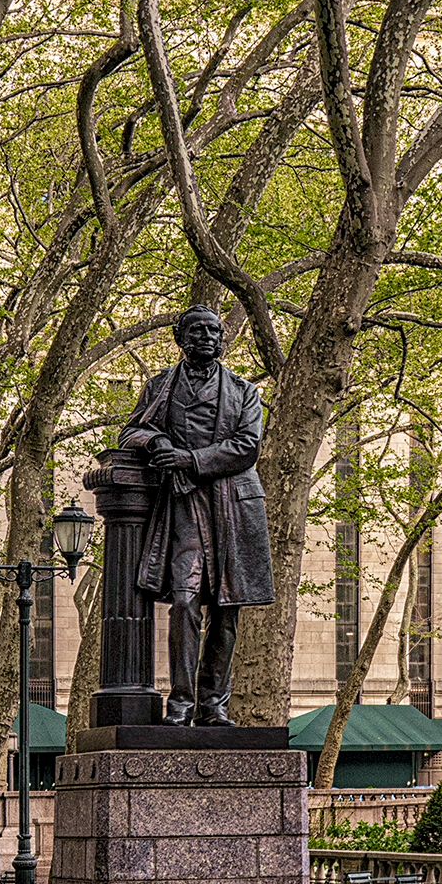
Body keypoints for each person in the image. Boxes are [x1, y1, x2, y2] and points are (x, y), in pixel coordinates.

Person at [118, 305, 275, 727]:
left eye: (213, 330)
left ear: (222, 339)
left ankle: (215, 705)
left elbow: (247, 447)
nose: (207, 336)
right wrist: (154, 443)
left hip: (232, 509)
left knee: (227, 610)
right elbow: (130, 431)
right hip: (183, 507)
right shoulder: (159, 387)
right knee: (184, 602)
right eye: (197, 330)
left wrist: (187, 457)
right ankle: (181, 702)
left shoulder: (244, 392)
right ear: (180, 338)